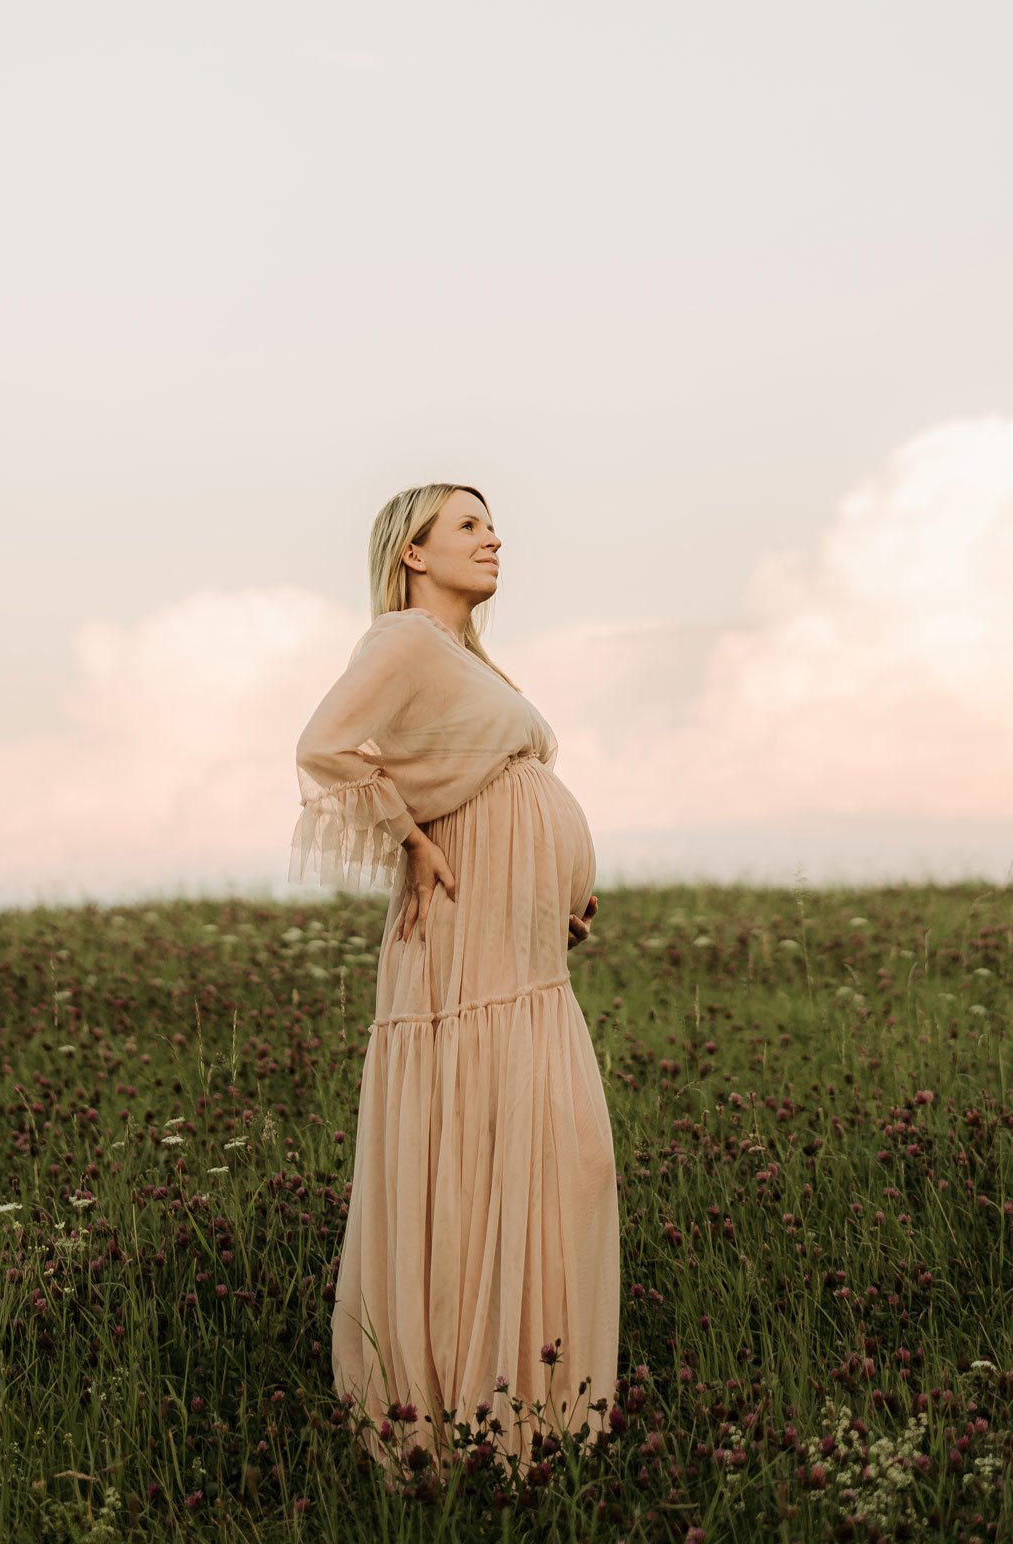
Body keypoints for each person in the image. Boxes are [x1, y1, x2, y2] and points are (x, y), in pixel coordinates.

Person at [288, 481, 620, 1475]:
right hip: (465, 936)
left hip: (518, 947)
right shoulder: (402, 639)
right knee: (492, 1138)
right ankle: (464, 1419)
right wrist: (408, 836)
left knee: (558, 1154)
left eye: (492, 524)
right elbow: (324, 746)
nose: (493, 539)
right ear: (414, 552)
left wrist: (554, 888)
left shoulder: (461, 656)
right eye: (468, 526)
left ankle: (526, 1410)